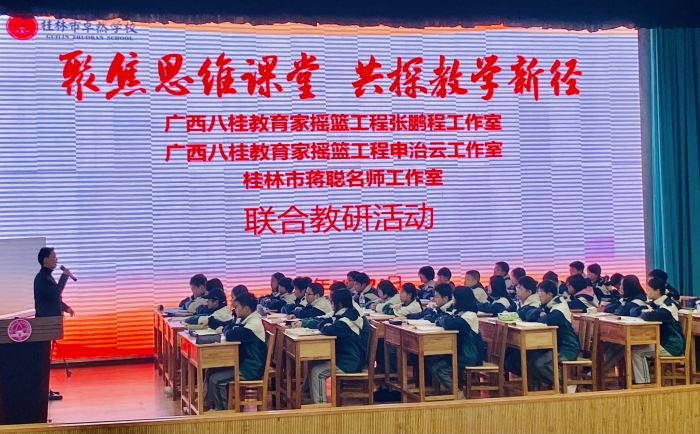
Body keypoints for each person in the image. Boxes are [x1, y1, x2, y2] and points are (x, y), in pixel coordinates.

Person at [204, 293, 267, 410]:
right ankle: (207, 405)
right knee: (210, 370)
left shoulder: (253, 324)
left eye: (237, 307)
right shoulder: (244, 318)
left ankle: (222, 411)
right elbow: (230, 326)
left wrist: (226, 328)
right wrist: (228, 328)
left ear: (246, 308)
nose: (234, 309)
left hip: (250, 368)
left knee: (216, 380)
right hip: (241, 363)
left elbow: (231, 335)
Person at [304, 289, 367, 404]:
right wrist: (325, 326)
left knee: (317, 372)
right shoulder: (344, 314)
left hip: (349, 361)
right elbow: (323, 323)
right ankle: (307, 395)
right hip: (343, 357)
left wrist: (326, 327)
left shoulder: (347, 321)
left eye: (332, 302)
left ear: (340, 304)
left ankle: (320, 405)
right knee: (312, 362)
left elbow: (329, 330)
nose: (331, 305)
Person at [34, 247, 74, 401]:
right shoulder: (42, 278)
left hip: (50, 323)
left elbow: (53, 298)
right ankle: (42, 391)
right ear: (45, 260)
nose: (56, 260)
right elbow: (55, 293)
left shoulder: (47, 277)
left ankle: (46, 390)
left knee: (47, 359)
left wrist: (66, 307)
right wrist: (65, 276)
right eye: (54, 257)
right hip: (45, 323)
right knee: (43, 360)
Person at [430, 286, 485, 397]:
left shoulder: (470, 315)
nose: (452, 300)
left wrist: (443, 319)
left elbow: (450, 324)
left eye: (454, 297)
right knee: (431, 359)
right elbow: (440, 319)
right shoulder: (459, 312)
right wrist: (442, 318)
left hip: (470, 355)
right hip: (461, 352)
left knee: (438, 368)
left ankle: (457, 394)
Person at [630, 277, 685, 384]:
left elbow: (651, 316)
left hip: (671, 345)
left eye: (649, 289)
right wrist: (643, 311)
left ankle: (643, 383)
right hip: (661, 343)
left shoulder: (668, 306)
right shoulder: (654, 303)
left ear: (657, 291)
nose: (647, 292)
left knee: (638, 352)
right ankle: (634, 380)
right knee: (633, 347)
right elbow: (633, 311)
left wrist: (645, 312)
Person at [529, 280, 580, 391]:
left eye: (540, 292)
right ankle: (555, 385)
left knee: (541, 363)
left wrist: (541, 316)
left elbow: (549, 319)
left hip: (567, 348)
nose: (538, 295)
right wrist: (540, 315)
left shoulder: (560, 306)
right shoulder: (547, 304)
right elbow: (531, 314)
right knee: (530, 362)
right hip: (554, 346)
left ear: (549, 294)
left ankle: (566, 384)